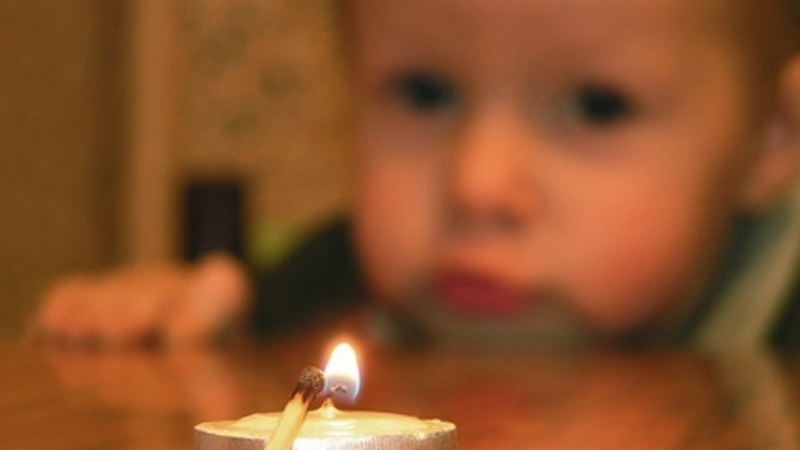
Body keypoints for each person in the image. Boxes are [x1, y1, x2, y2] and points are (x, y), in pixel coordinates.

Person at [31, 0, 800, 352]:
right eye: (424, 93)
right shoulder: (330, 285)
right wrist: (172, 327)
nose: (477, 187)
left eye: (596, 106)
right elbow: (216, 334)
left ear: (772, 138)